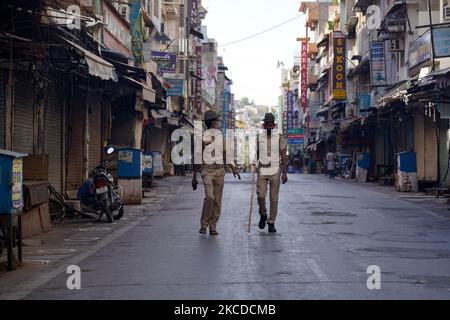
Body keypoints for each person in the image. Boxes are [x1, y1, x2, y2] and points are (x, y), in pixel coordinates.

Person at [192, 110, 241, 235]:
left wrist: (233, 168)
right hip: (207, 170)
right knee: (210, 197)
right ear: (212, 123)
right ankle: (204, 224)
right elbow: (197, 156)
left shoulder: (220, 136)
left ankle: (213, 226)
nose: (218, 123)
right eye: (217, 121)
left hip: (219, 170)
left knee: (217, 200)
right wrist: (194, 176)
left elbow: (225, 154)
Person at [256, 113, 288, 233]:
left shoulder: (279, 136)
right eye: (267, 124)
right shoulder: (260, 137)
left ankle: (271, 222)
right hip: (263, 169)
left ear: (273, 125)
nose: (269, 126)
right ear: (264, 125)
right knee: (260, 195)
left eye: (271, 124)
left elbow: (283, 154)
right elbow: (258, 152)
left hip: (275, 169)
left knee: (273, 198)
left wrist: (284, 172)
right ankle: (263, 214)